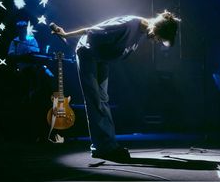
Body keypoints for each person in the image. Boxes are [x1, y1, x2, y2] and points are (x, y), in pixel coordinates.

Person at [50, 10, 181, 161]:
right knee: (94, 99)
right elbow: (90, 31)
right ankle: (102, 147)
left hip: (102, 59)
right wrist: (66, 35)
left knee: (103, 100)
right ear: (157, 28)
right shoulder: (127, 25)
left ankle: (108, 145)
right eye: (159, 37)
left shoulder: (142, 31)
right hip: (87, 53)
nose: (158, 40)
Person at [8, 20, 54, 142]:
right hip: (23, 70)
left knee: (48, 78)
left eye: (24, 29)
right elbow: (11, 55)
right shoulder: (15, 41)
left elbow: (36, 54)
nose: (22, 31)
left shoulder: (31, 39)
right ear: (18, 30)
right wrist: (23, 57)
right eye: (20, 29)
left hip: (34, 69)